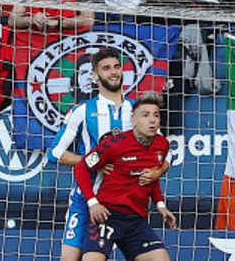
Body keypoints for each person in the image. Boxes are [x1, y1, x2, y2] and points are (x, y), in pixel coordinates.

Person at [46, 48, 165, 261]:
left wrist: (157, 171)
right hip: (86, 200)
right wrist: (95, 162)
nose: (113, 72)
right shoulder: (82, 110)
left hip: (125, 204)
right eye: (106, 68)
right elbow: (54, 153)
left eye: (117, 67)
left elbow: (164, 152)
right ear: (95, 75)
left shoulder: (138, 111)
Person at [74, 92, 177, 261]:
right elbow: (81, 168)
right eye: (145, 115)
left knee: (162, 258)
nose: (152, 120)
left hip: (136, 220)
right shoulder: (114, 144)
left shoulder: (162, 144)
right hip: (106, 216)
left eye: (156, 115)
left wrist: (160, 204)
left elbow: (150, 177)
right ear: (134, 120)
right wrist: (93, 203)